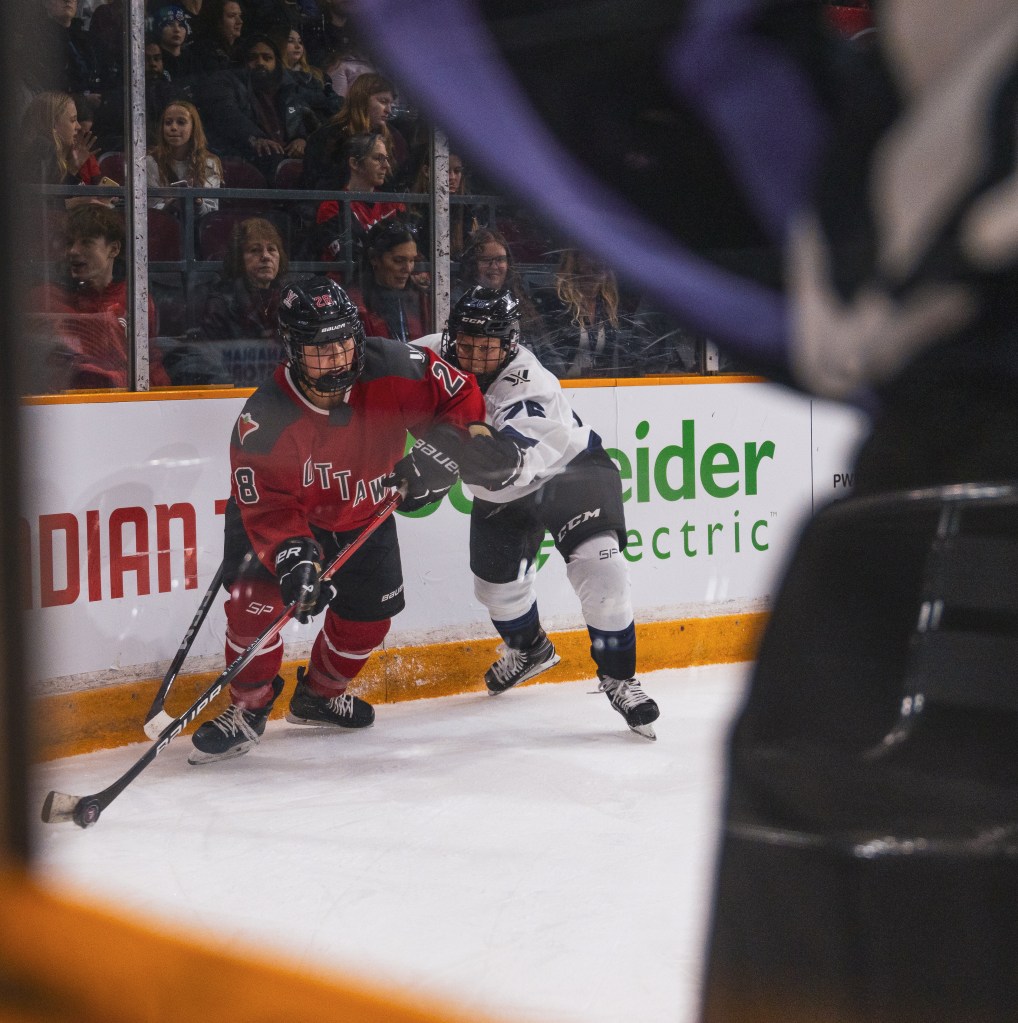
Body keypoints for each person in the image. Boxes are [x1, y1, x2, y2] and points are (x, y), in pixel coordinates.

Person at [188, 276, 486, 762]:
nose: (338, 359)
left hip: (363, 511)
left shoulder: (395, 365)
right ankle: (248, 707)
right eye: (321, 350)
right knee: (254, 610)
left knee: (369, 618)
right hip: (279, 520)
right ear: (292, 350)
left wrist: (446, 447)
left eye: (345, 343)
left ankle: (320, 696)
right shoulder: (265, 420)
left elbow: (460, 395)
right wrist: (294, 560)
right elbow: (269, 505)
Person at [418, 286, 660, 739]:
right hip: (502, 492)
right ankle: (530, 650)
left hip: (568, 470)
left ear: (509, 343)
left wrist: (471, 456)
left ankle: (619, 677)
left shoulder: (530, 384)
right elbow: (381, 369)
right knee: (496, 592)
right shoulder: (431, 354)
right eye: (466, 344)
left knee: (602, 568)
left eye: (488, 347)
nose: (475, 356)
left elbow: (511, 456)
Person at [29, 204, 170, 387]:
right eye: (70, 243)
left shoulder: (136, 299)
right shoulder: (48, 298)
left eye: (86, 242)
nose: (73, 251)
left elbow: (150, 363)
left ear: (114, 249)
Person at [200, 32, 320, 177]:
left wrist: (300, 139)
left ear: (276, 62)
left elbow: (297, 116)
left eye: (267, 58)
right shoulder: (226, 81)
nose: (260, 62)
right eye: (253, 58)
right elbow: (228, 113)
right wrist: (255, 138)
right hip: (246, 154)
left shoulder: (286, 88)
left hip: (285, 153)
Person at [533, 248, 641, 379]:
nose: (599, 262)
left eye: (603, 257)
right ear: (575, 261)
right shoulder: (554, 303)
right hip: (561, 386)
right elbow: (547, 355)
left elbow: (622, 356)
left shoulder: (609, 307)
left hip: (600, 386)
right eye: (592, 255)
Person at [312, 131, 407, 272]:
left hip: (386, 279)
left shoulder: (393, 204)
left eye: (386, 159)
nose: (386, 165)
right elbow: (347, 256)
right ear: (354, 163)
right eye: (378, 158)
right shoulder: (333, 207)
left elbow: (409, 249)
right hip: (347, 282)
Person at [301, 72, 409, 188]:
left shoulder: (395, 138)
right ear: (362, 99)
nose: (389, 110)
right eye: (383, 101)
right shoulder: (329, 136)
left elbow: (398, 183)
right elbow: (316, 183)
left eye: (391, 104)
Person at [196, 216, 292, 341]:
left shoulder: (289, 298)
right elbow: (210, 351)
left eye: (271, 249)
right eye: (255, 250)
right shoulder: (221, 305)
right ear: (239, 258)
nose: (266, 256)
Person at [346, 217, 430, 342]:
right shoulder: (355, 305)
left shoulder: (420, 299)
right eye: (398, 260)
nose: (408, 269)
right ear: (374, 258)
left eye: (412, 260)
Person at [453, 227, 544, 341]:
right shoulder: (459, 301)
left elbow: (541, 346)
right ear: (472, 265)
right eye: (486, 260)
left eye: (500, 259)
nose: (494, 266)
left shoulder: (518, 299)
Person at [146, 99, 222, 217]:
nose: (173, 127)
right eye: (168, 122)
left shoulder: (209, 163)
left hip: (195, 227)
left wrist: (197, 202)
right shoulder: (150, 162)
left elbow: (211, 212)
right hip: (161, 225)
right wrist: (168, 205)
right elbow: (148, 209)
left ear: (193, 128)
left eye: (181, 122)